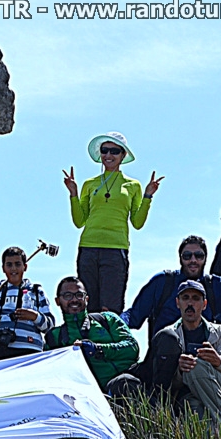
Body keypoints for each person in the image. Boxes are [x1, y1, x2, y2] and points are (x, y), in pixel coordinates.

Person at [107, 280, 221, 421]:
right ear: (177, 303)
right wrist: (179, 371)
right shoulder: (170, 335)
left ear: (204, 304)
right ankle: (219, 437)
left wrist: (218, 362)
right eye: (185, 298)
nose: (190, 303)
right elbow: (164, 380)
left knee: (195, 367)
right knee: (193, 408)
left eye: (195, 298)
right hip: (187, 396)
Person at [64, 132, 162, 313]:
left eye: (114, 151)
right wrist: (73, 193)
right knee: (88, 306)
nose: (108, 155)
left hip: (116, 249)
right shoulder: (89, 184)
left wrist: (148, 195)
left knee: (110, 307)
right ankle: (88, 341)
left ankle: (108, 341)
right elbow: (79, 221)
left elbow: (137, 222)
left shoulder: (132, 185)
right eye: (105, 150)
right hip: (88, 248)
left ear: (123, 155)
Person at [45, 276, 137, 390]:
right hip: (86, 394)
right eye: (67, 296)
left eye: (79, 295)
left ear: (86, 299)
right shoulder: (53, 337)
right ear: (57, 301)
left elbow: (133, 348)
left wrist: (97, 349)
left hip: (126, 379)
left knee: (165, 336)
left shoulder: (108, 319)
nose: (74, 300)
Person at [0, 246, 55, 361]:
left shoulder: (36, 291)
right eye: (9, 265)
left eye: (18, 264)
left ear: (25, 266)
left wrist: (34, 316)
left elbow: (50, 326)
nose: (13, 269)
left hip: (29, 351)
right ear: (3, 268)